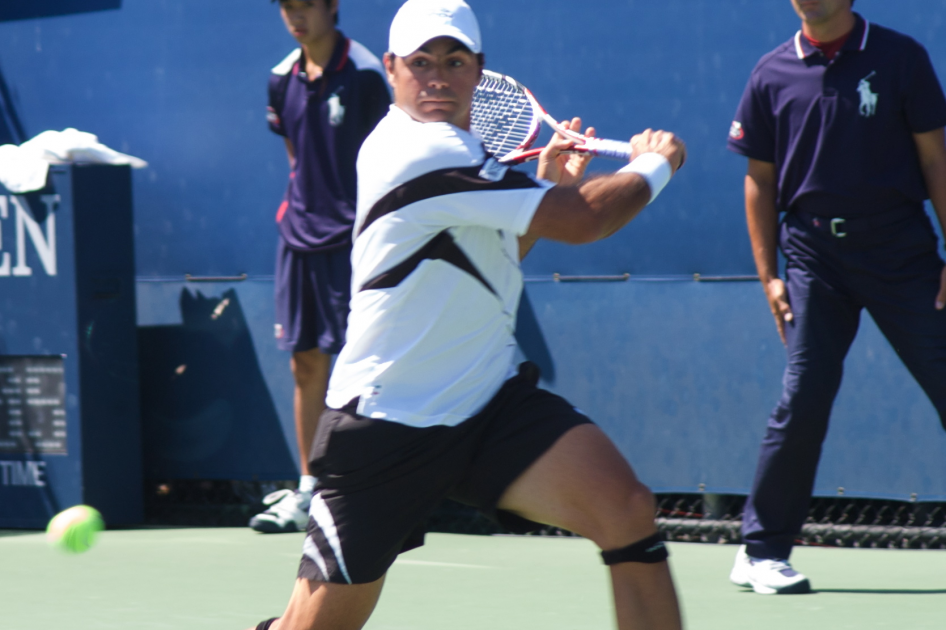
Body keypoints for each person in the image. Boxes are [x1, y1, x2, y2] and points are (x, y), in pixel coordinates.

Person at [246, 0, 688, 628]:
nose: (438, 77)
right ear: (393, 70)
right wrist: (656, 163)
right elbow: (587, 219)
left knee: (626, 508)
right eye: (421, 62)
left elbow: (497, 252)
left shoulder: (465, 151)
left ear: (478, 71)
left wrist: (543, 182)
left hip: (488, 403)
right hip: (386, 425)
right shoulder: (414, 152)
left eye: (454, 62)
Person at [727, 0, 946, 594]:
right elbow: (760, 182)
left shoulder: (901, 57)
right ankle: (761, 551)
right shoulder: (771, 73)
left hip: (900, 252)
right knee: (803, 397)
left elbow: (935, 158)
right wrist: (770, 274)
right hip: (813, 257)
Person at [249, 0, 391, 534]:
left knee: (370, 367)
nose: (296, 15)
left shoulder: (368, 73)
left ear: (332, 7)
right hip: (300, 241)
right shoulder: (279, 78)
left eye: (307, 3)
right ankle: (310, 490)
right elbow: (296, 155)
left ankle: (374, 487)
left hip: (359, 243)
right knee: (306, 364)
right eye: (287, 5)